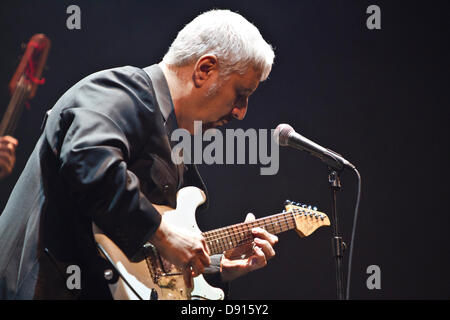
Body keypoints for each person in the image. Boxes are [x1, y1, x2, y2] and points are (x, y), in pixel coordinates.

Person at [0, 9, 277, 299]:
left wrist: (217, 267)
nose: (241, 112)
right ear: (204, 69)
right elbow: (87, 161)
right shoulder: (121, 92)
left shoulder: (174, 142)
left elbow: (131, 252)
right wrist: (163, 233)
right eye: (241, 94)